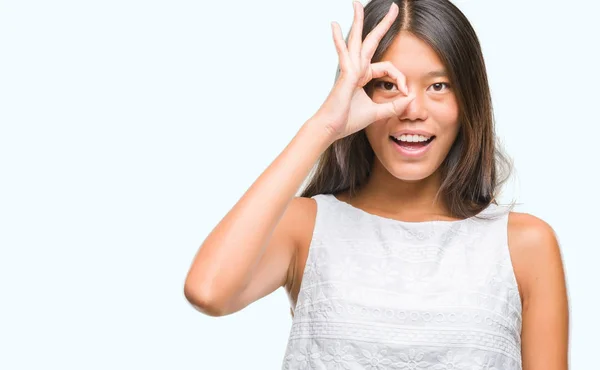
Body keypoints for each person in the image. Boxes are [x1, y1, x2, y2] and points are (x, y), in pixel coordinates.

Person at [184, 0, 569, 368]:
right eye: (388, 84)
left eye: (439, 86)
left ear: (469, 101)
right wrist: (324, 127)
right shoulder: (306, 226)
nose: (413, 111)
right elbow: (208, 291)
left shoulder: (526, 244)